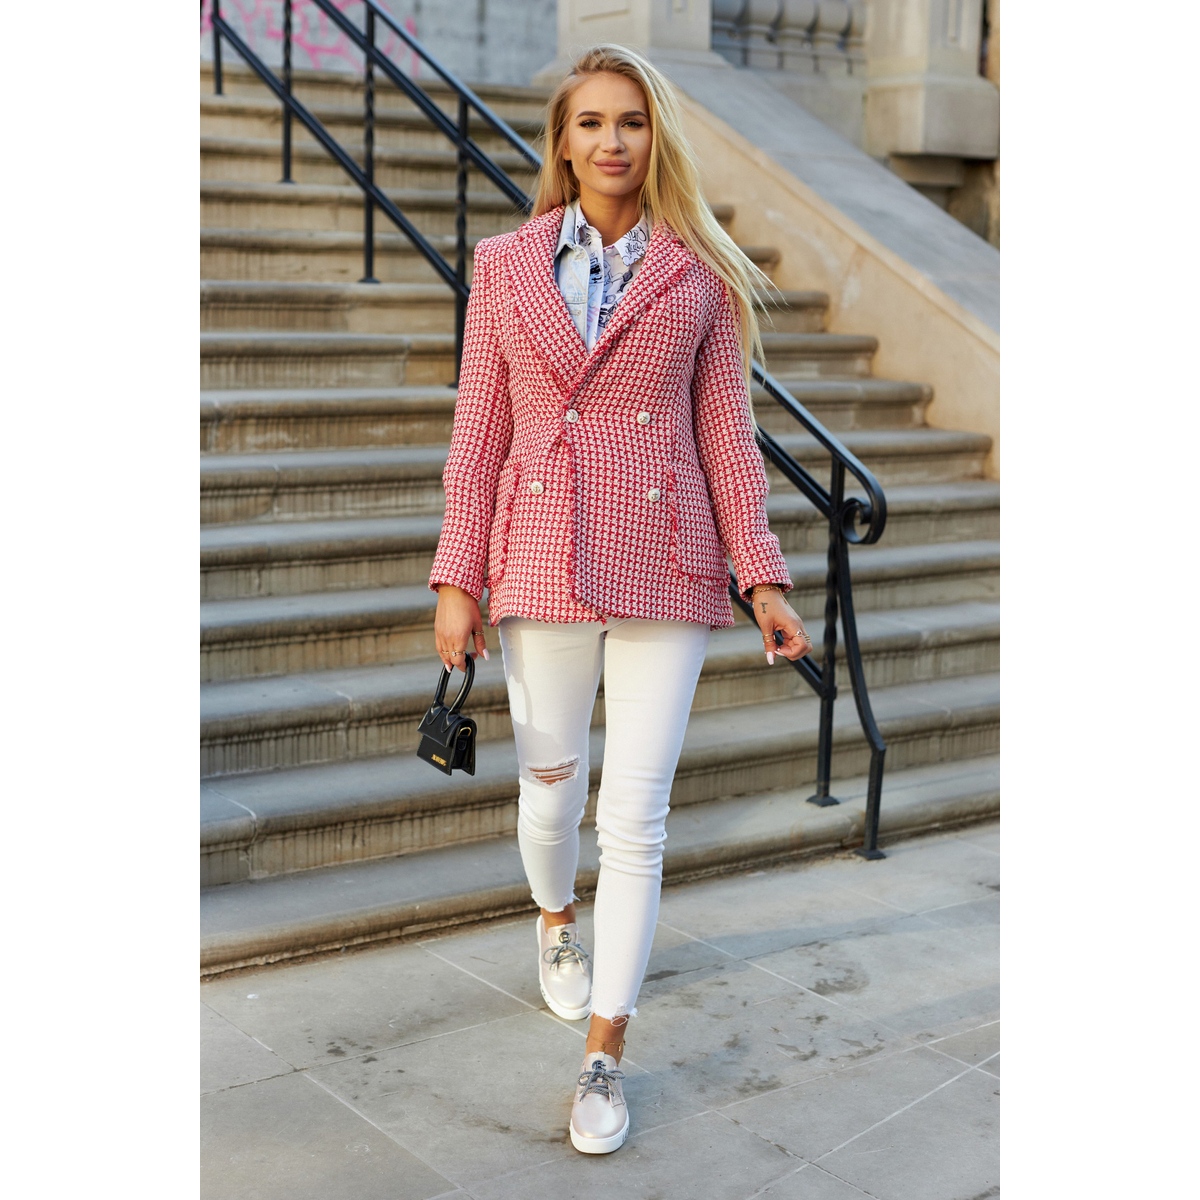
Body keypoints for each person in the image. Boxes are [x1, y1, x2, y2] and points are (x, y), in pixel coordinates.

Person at [428, 43, 812, 1156]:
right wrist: (457, 575)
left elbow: (727, 440)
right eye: (591, 122)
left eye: (632, 122)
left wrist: (762, 576)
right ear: (562, 141)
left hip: (667, 559)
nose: (612, 140)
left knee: (635, 821)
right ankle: (556, 921)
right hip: (541, 554)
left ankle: (605, 1051)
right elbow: (479, 431)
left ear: (657, 139)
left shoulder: (699, 275)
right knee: (552, 797)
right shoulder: (505, 266)